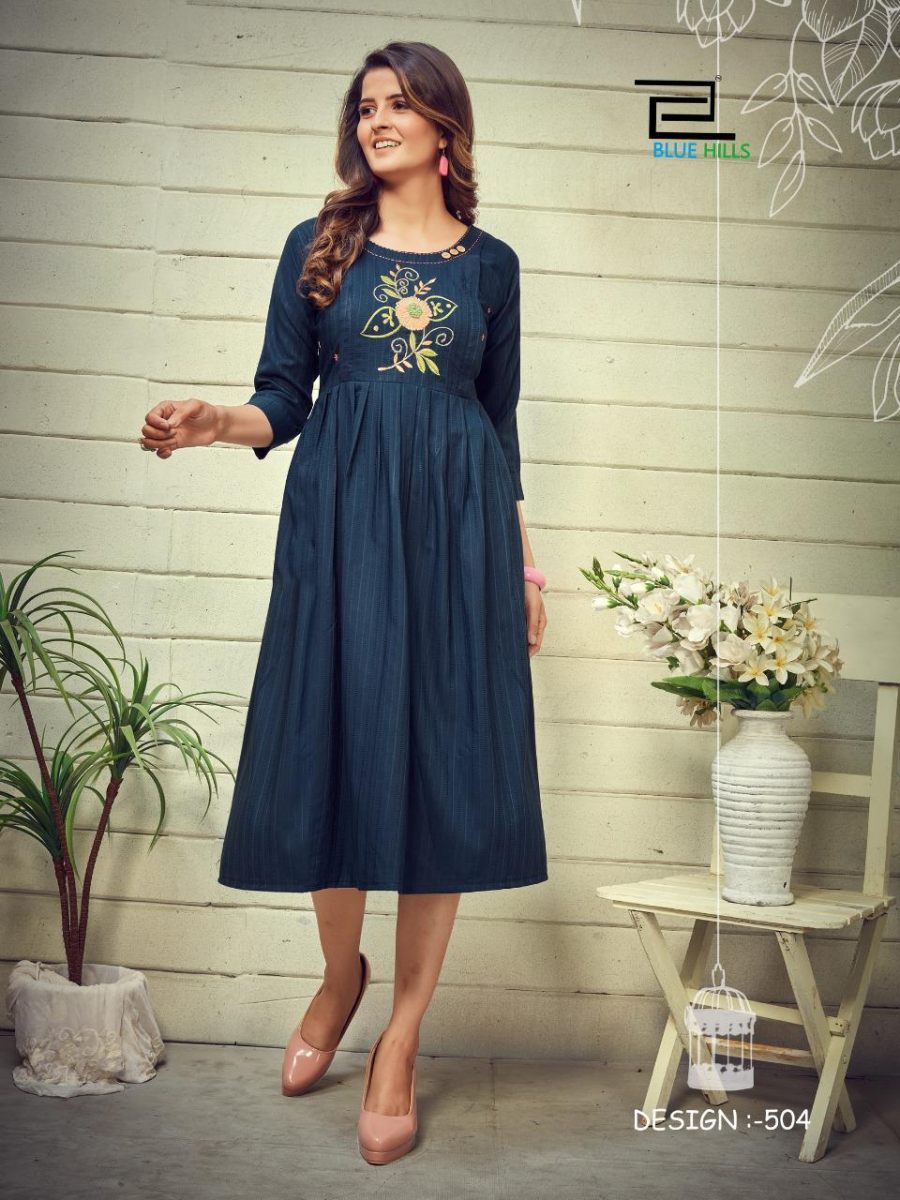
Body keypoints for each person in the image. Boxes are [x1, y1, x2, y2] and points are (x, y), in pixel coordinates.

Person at [140, 40, 549, 1166]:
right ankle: (340, 974)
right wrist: (212, 423)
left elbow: (499, 426)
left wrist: (521, 569)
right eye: (366, 106)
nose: (378, 120)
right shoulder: (318, 247)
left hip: (460, 536)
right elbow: (282, 397)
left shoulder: (493, 267)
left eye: (400, 104)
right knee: (335, 743)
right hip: (341, 522)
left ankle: (399, 1039)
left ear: (445, 127)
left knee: (445, 770)